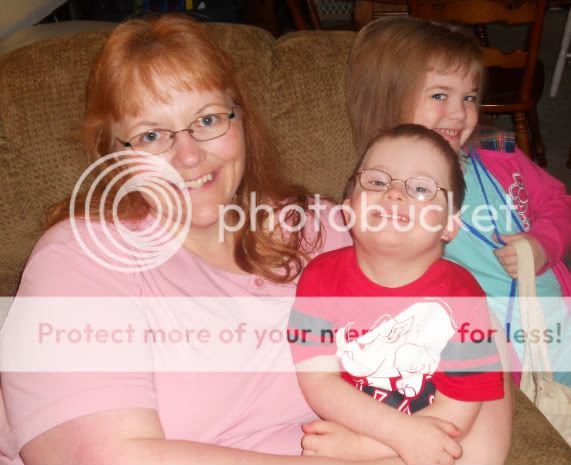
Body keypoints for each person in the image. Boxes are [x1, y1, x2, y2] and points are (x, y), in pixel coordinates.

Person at [0, 14, 412, 465]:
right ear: (112, 154)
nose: (190, 155)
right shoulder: (80, 260)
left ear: (242, 120)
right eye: (151, 135)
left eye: (208, 119)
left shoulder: (320, 228)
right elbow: (108, 457)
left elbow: (452, 349)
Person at [345, 16, 571, 393]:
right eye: (439, 96)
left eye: (469, 97)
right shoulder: (387, 194)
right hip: (493, 347)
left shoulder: (499, 157)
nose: (460, 113)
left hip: (555, 320)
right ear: (389, 100)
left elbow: (555, 199)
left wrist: (545, 242)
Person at [288, 124, 507, 465]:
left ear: (449, 226)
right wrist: (396, 435)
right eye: (377, 182)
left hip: (432, 443)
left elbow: (459, 409)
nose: (394, 193)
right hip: (357, 429)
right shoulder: (318, 279)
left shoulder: (464, 297)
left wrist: (364, 447)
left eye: (421, 188)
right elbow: (319, 381)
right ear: (349, 210)